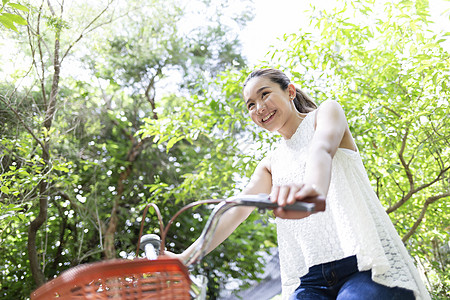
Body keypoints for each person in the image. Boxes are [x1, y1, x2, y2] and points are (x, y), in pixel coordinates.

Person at [175, 68, 431, 299]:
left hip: (362, 263)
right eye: (250, 105)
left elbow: (322, 149)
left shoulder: (326, 113)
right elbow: (236, 210)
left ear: (290, 92)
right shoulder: (270, 164)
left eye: (265, 95)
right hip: (310, 279)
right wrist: (183, 259)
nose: (259, 108)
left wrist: (313, 190)